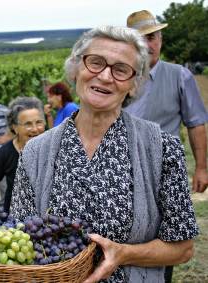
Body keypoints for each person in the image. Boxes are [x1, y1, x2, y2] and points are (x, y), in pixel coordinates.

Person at [10, 26, 198, 283]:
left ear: (134, 84)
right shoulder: (34, 152)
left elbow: (183, 248)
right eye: (95, 62)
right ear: (76, 70)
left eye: (121, 69)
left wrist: (124, 253)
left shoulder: (163, 148)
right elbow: (18, 241)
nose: (106, 76)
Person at [125, 10, 208, 195]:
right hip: (126, 174)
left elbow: (196, 125)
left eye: (151, 37)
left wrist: (201, 168)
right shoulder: (118, 77)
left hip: (167, 173)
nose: (147, 45)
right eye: (140, 40)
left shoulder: (179, 76)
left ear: (160, 39)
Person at [0, 96, 46, 212]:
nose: (35, 129)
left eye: (39, 122)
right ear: (14, 127)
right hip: (14, 214)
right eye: (28, 124)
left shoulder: (52, 148)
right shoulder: (5, 153)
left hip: (47, 213)